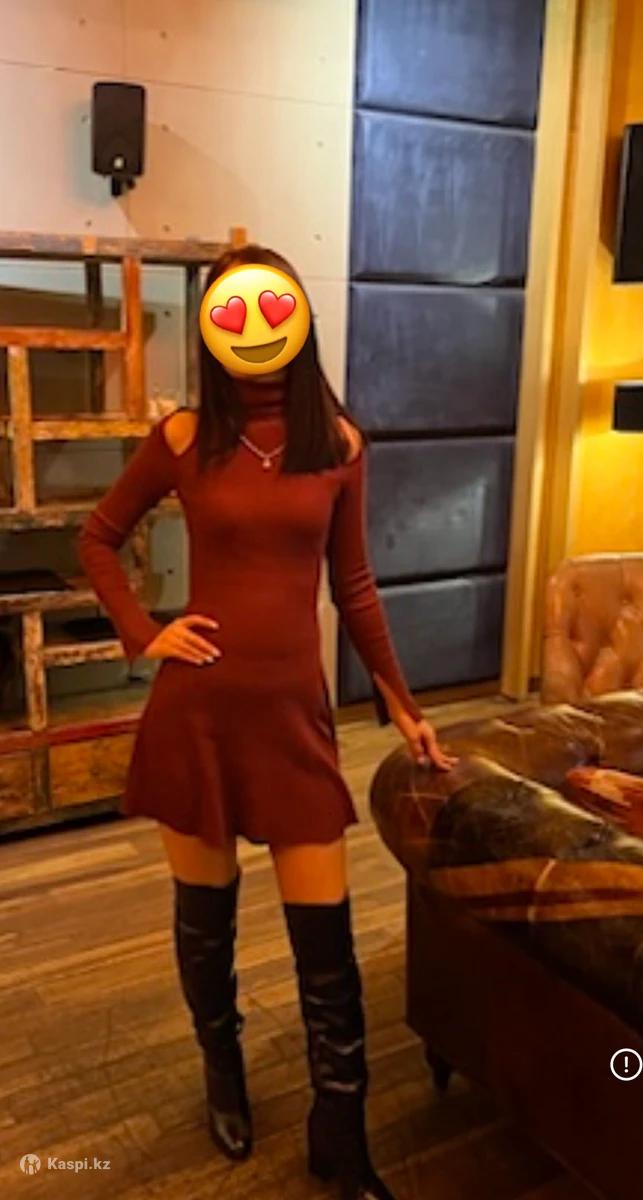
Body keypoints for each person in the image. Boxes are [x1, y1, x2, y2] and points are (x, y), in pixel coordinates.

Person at [77, 243, 454, 1200]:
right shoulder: (183, 437)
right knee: (205, 923)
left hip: (292, 718)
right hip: (197, 713)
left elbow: (354, 586)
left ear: (298, 317)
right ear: (214, 329)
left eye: (270, 308)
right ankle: (224, 1072)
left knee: (326, 945)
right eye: (233, 313)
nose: (254, 329)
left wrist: (403, 707)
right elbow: (99, 537)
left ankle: (342, 1134)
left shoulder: (340, 445)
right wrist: (144, 634)